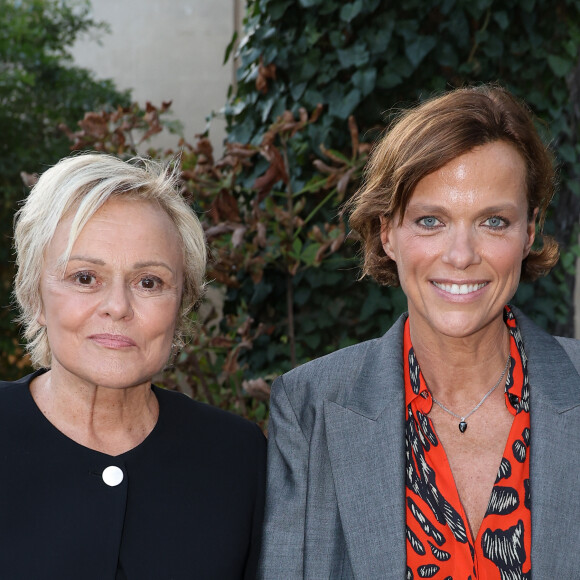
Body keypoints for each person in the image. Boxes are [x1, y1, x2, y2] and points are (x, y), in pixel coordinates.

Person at [258, 84, 580, 579]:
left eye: (494, 221)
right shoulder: (309, 409)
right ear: (388, 231)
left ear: (529, 231)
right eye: (431, 220)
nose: (460, 254)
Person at [3, 153, 266, 579]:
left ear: (182, 306)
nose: (118, 308)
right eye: (85, 277)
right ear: (35, 297)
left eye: (149, 282)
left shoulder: (238, 458)